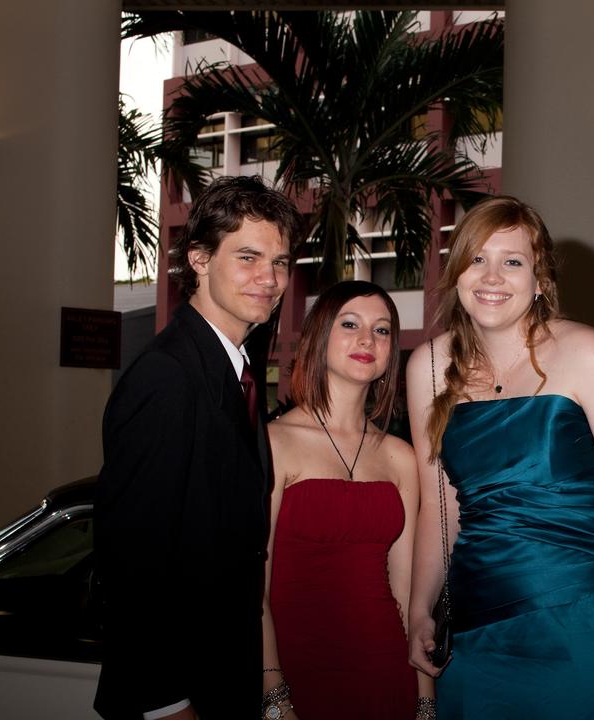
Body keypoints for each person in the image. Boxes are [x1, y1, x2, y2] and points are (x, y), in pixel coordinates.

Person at [406, 196, 594, 720]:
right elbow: (439, 509)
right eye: (477, 258)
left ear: (540, 279)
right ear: (456, 270)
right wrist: (419, 608)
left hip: (586, 624)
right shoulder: (428, 367)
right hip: (474, 631)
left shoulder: (588, 354)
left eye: (512, 261)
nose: (492, 276)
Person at [94, 176, 299, 720]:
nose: (269, 278)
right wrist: (167, 704)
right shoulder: (167, 376)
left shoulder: (236, 368)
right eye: (249, 257)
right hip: (176, 694)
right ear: (201, 258)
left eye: (279, 262)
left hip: (224, 675)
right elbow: (131, 558)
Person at [261, 281, 433, 719]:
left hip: (385, 670)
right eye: (350, 324)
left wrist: (426, 698)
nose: (366, 340)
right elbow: (251, 590)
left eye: (382, 330)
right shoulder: (273, 442)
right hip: (295, 672)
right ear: (320, 336)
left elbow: (409, 593)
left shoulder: (401, 456)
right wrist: (273, 691)